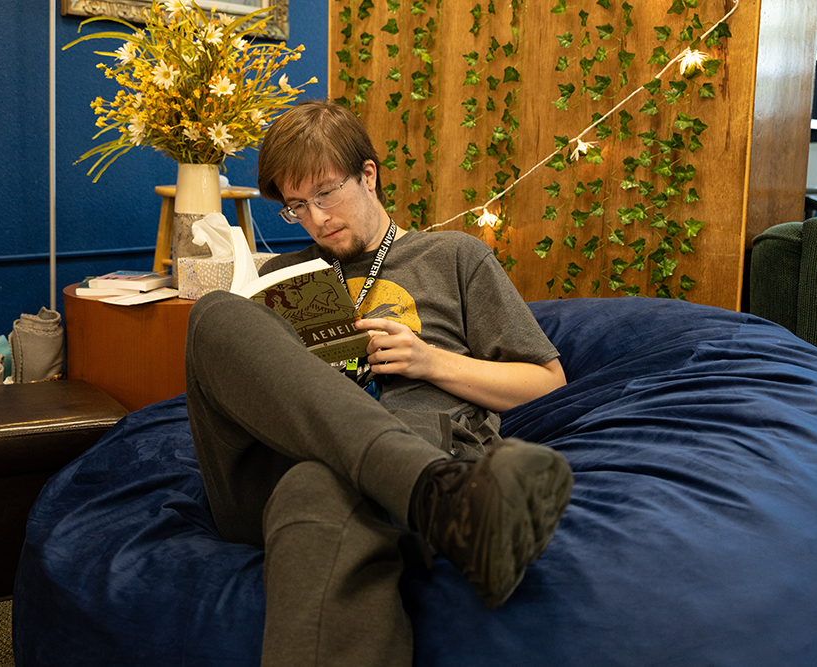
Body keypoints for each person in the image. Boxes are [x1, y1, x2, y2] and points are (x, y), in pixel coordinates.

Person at [184, 100, 573, 667]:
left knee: (317, 486)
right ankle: (444, 501)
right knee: (213, 312)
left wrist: (429, 361)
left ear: (369, 175)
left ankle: (422, 486)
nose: (315, 219)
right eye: (296, 207)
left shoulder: (452, 256)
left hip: (392, 450)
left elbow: (547, 381)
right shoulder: (281, 276)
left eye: (326, 193)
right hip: (268, 470)